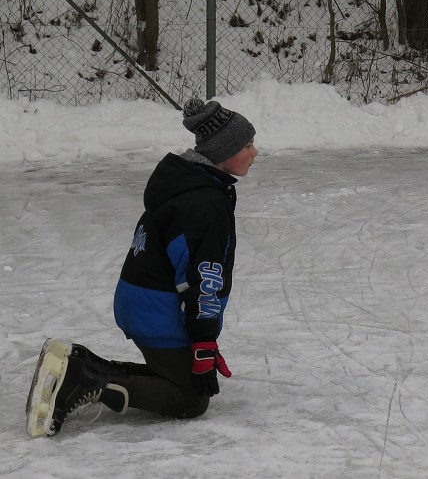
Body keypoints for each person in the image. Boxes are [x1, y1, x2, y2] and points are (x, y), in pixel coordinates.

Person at [27, 97, 257, 436]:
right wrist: (203, 343)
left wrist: (201, 342)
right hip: (156, 309)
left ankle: (82, 366)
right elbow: (204, 280)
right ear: (224, 151)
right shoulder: (205, 203)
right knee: (192, 398)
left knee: (181, 377)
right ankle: (85, 381)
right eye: (248, 144)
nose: (255, 152)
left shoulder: (188, 184)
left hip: (140, 299)